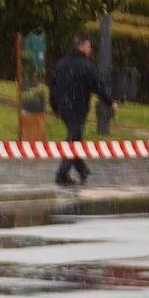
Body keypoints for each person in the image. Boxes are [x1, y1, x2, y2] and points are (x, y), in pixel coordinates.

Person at [49, 37, 116, 187]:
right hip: (78, 108)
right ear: (83, 47)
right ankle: (62, 174)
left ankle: (82, 169)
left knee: (75, 137)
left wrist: (55, 106)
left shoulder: (61, 63)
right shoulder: (87, 66)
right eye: (89, 47)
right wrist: (110, 101)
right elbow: (98, 86)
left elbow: (52, 85)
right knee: (74, 139)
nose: (90, 50)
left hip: (63, 107)